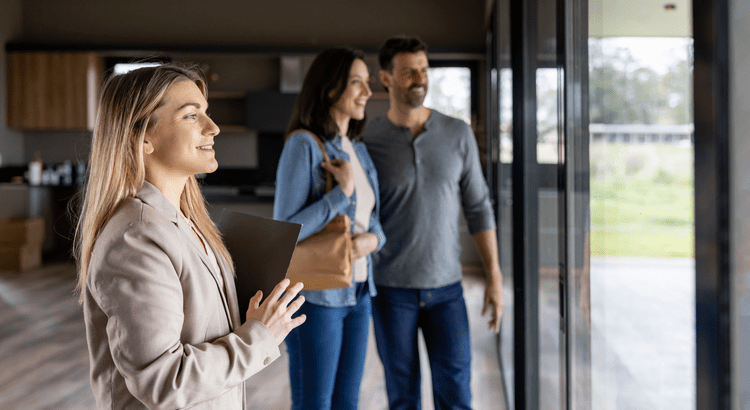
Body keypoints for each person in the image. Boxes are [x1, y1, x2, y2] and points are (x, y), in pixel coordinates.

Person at [74, 63, 306, 410]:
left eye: (206, 113)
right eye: (191, 116)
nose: (213, 128)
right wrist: (259, 337)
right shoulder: (135, 239)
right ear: (143, 137)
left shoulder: (185, 224)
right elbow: (163, 381)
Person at [362, 36, 504, 410]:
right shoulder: (368, 139)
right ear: (386, 79)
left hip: (447, 290)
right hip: (391, 291)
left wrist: (495, 276)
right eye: (408, 71)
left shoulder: (457, 133)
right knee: (403, 396)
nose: (419, 78)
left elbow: (479, 207)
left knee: (456, 394)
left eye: (424, 69)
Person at [274, 47, 386, 410]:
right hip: (318, 297)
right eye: (357, 82)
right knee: (315, 402)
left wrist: (372, 240)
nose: (367, 92)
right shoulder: (303, 145)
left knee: (347, 402)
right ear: (329, 88)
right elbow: (285, 230)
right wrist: (343, 194)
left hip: (359, 293)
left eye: (367, 83)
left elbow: (376, 222)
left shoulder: (358, 150)